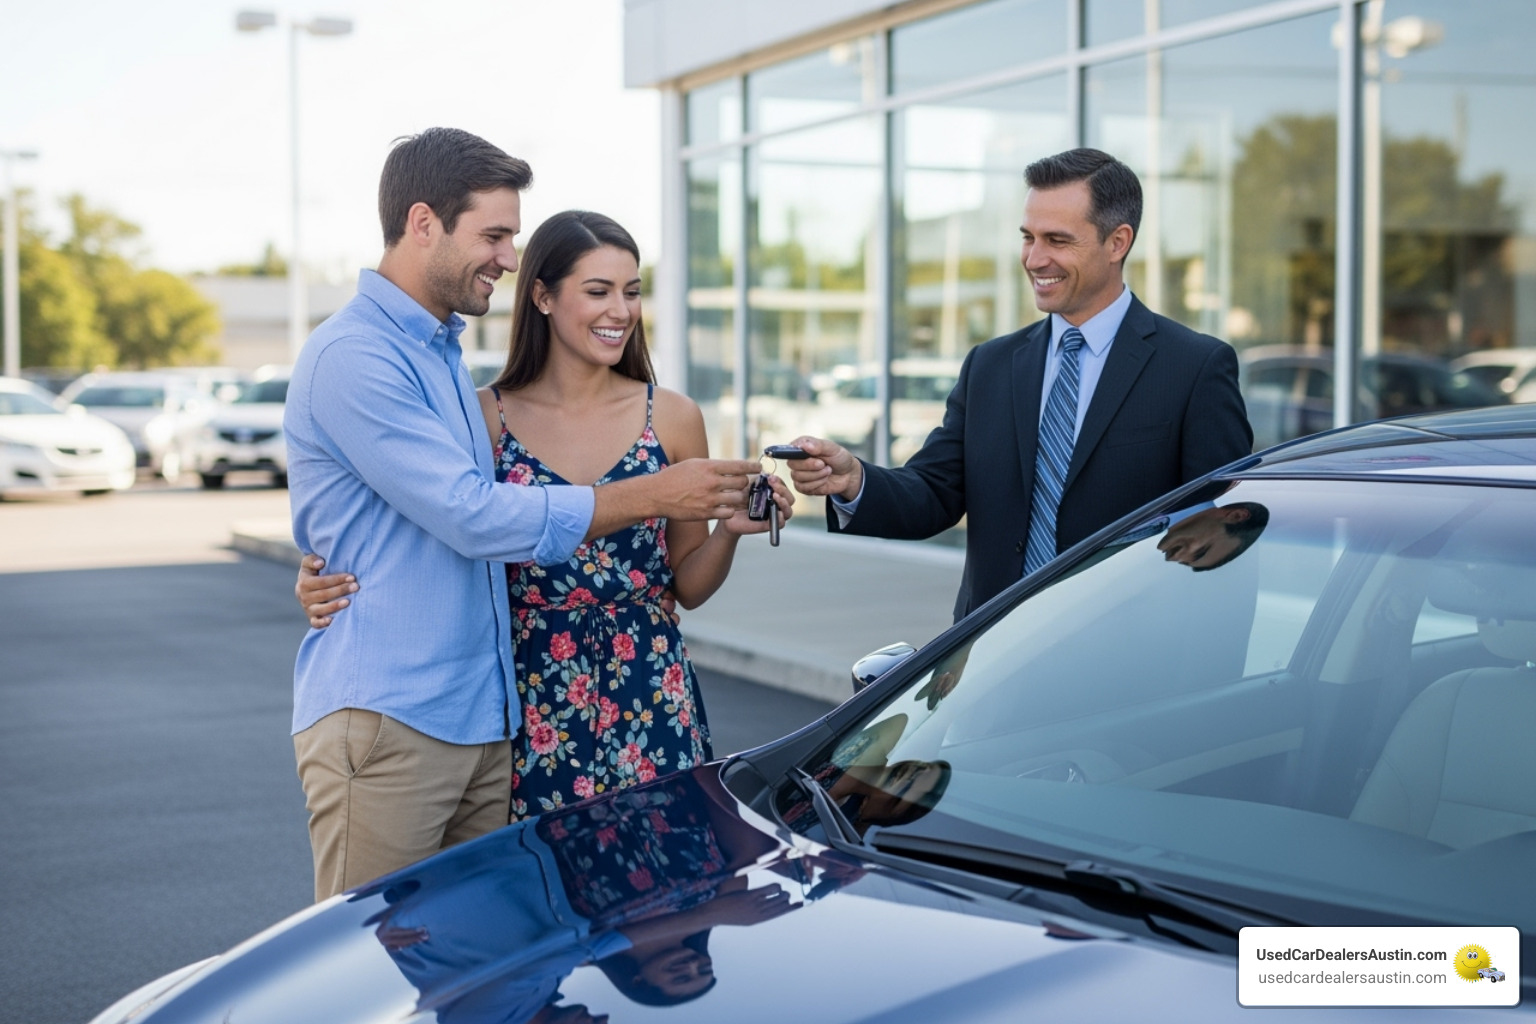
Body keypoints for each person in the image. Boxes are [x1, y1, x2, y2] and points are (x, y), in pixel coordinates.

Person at [286, 129, 763, 901]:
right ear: (423, 223)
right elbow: (470, 515)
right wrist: (652, 495)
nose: (507, 257)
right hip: (419, 717)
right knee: (371, 957)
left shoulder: (439, 350)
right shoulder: (363, 356)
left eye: (632, 290)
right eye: (495, 235)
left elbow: (390, 505)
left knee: (504, 957)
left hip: (497, 721)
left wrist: (328, 562)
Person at [787, 148, 1253, 621]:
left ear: (1117, 243)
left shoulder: (1195, 368)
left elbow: (1224, 540)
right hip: (993, 655)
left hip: (1129, 660)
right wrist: (853, 481)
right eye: (1028, 237)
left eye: (1057, 240)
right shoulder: (990, 365)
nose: (1034, 259)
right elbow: (934, 492)